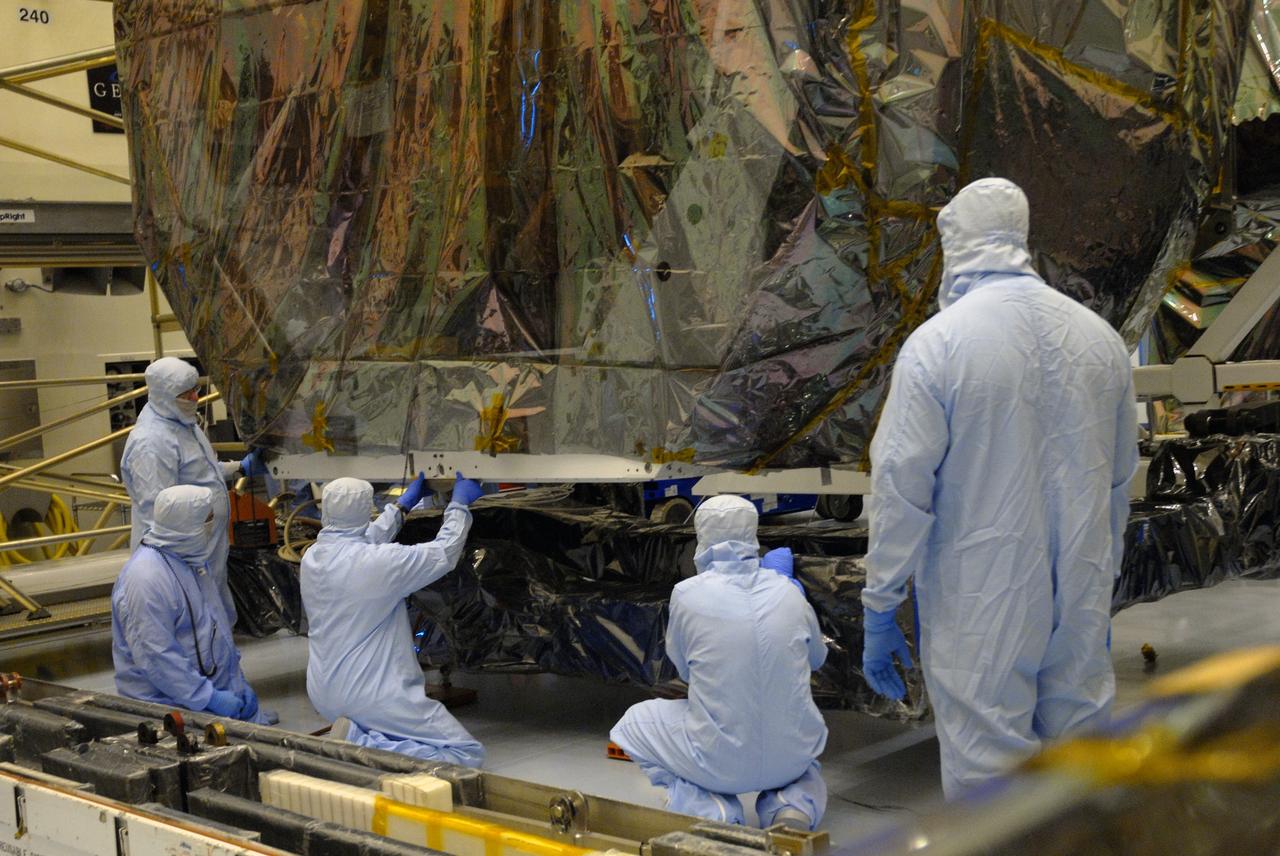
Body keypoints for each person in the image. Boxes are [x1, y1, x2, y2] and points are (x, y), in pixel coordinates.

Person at [862, 178, 1138, 799]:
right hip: (1082, 584)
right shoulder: (1101, 341)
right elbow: (1119, 481)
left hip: (982, 597)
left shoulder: (938, 346)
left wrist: (881, 601)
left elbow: (901, 487)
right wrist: (1104, 582)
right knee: (1082, 769)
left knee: (991, 780)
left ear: (954, 245)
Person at [611, 496, 828, 829]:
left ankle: (713, 811)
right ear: (753, 534)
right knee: (799, 743)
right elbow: (817, 659)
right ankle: (792, 808)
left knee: (632, 724)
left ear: (703, 537)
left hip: (719, 763)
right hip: (792, 758)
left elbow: (684, 671)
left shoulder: (687, 594)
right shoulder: (787, 591)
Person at [302, 471, 486, 767]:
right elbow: (444, 552)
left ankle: (360, 736)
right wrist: (459, 507)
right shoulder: (380, 563)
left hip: (323, 692)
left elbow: (362, 539)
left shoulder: (313, 558)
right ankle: (358, 741)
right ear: (366, 510)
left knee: (402, 735)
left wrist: (403, 506)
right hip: (373, 695)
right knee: (465, 754)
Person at [120, 357, 268, 623]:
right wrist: (183, 560)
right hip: (180, 555)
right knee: (188, 621)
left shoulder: (182, 422)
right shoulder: (151, 443)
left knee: (209, 617)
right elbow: (158, 512)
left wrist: (239, 468)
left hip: (202, 548)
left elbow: (200, 471)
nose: (195, 398)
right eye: (186, 394)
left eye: (196, 389)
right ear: (165, 396)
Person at [111, 485, 269, 723]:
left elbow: (215, 628)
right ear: (186, 525)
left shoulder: (191, 560)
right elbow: (157, 657)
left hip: (209, 696)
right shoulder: (146, 579)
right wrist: (209, 698)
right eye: (207, 520)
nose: (212, 526)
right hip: (168, 708)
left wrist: (238, 684)